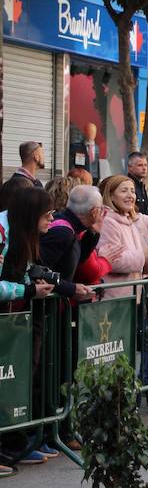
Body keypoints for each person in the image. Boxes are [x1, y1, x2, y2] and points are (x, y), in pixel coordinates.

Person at [0, 187, 58, 468]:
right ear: (30, 214)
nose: (51, 220)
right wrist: (28, 291)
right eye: (47, 214)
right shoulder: (2, 231)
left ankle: (14, 441)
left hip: (13, 321)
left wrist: (31, 286)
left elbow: (22, 273)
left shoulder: (25, 233)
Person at [39, 185, 112, 301]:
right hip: (44, 308)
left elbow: (75, 259)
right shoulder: (62, 232)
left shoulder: (70, 226)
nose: (102, 211)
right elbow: (39, 271)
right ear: (94, 212)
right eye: (101, 208)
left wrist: (93, 234)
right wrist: (71, 289)